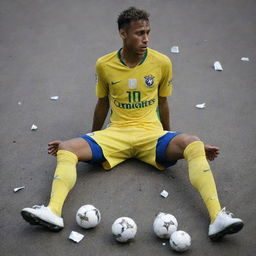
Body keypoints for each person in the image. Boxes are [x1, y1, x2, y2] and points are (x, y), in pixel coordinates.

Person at [21, 7, 243, 240]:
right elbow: (102, 103)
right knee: (67, 148)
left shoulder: (162, 62)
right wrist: (91, 138)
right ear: (123, 34)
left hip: (152, 135)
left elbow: (163, 102)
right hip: (116, 134)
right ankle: (53, 212)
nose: (145, 39)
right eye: (139, 33)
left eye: (148, 32)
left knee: (194, 143)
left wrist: (180, 145)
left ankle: (217, 218)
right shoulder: (104, 65)